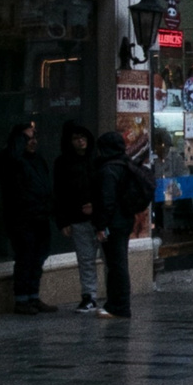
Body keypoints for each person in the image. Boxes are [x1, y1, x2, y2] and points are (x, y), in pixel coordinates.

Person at [0, 119, 55, 314]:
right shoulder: (10, 158)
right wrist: (21, 138)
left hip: (40, 216)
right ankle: (22, 299)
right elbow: (12, 158)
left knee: (38, 257)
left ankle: (33, 296)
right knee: (25, 257)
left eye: (34, 137)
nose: (33, 141)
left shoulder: (37, 159)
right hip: (21, 218)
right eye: (28, 138)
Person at [91, 130, 151, 319]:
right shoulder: (125, 165)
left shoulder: (109, 169)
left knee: (116, 265)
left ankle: (119, 306)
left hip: (114, 223)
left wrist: (101, 225)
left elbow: (107, 200)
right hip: (124, 220)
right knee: (117, 263)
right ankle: (116, 304)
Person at [53, 121, 101, 312]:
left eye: (83, 137)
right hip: (78, 218)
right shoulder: (63, 163)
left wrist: (97, 205)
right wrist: (63, 220)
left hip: (100, 218)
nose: (81, 141)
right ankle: (89, 296)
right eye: (76, 138)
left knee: (109, 259)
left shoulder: (97, 160)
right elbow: (59, 193)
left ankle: (114, 295)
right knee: (85, 259)